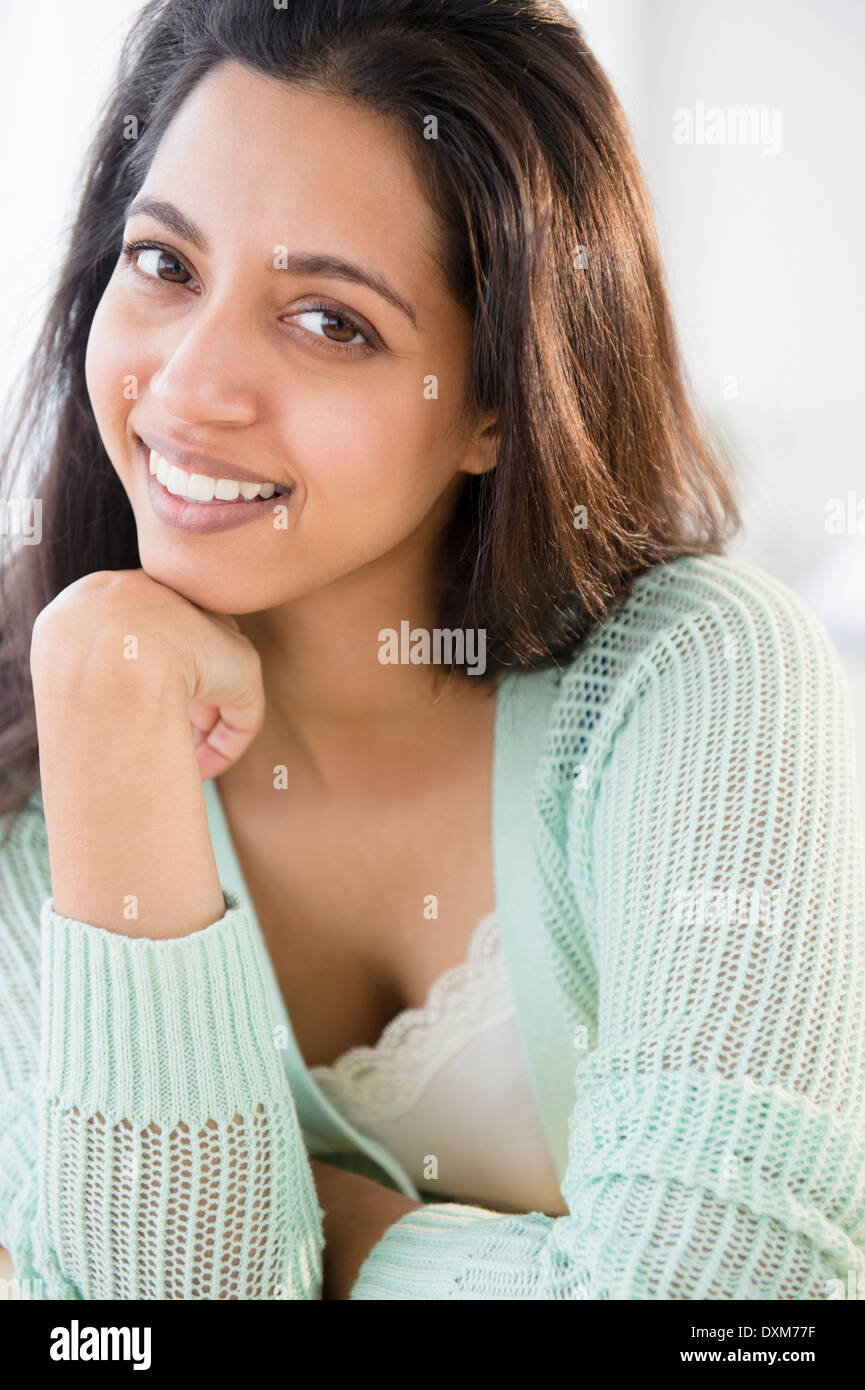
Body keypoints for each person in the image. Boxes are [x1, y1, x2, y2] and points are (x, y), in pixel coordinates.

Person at [1, 0, 863, 1300]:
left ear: (496, 404)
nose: (185, 385)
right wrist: (109, 719)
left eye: (330, 322)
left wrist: (349, 1246)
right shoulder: (52, 727)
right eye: (165, 265)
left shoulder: (700, 677)